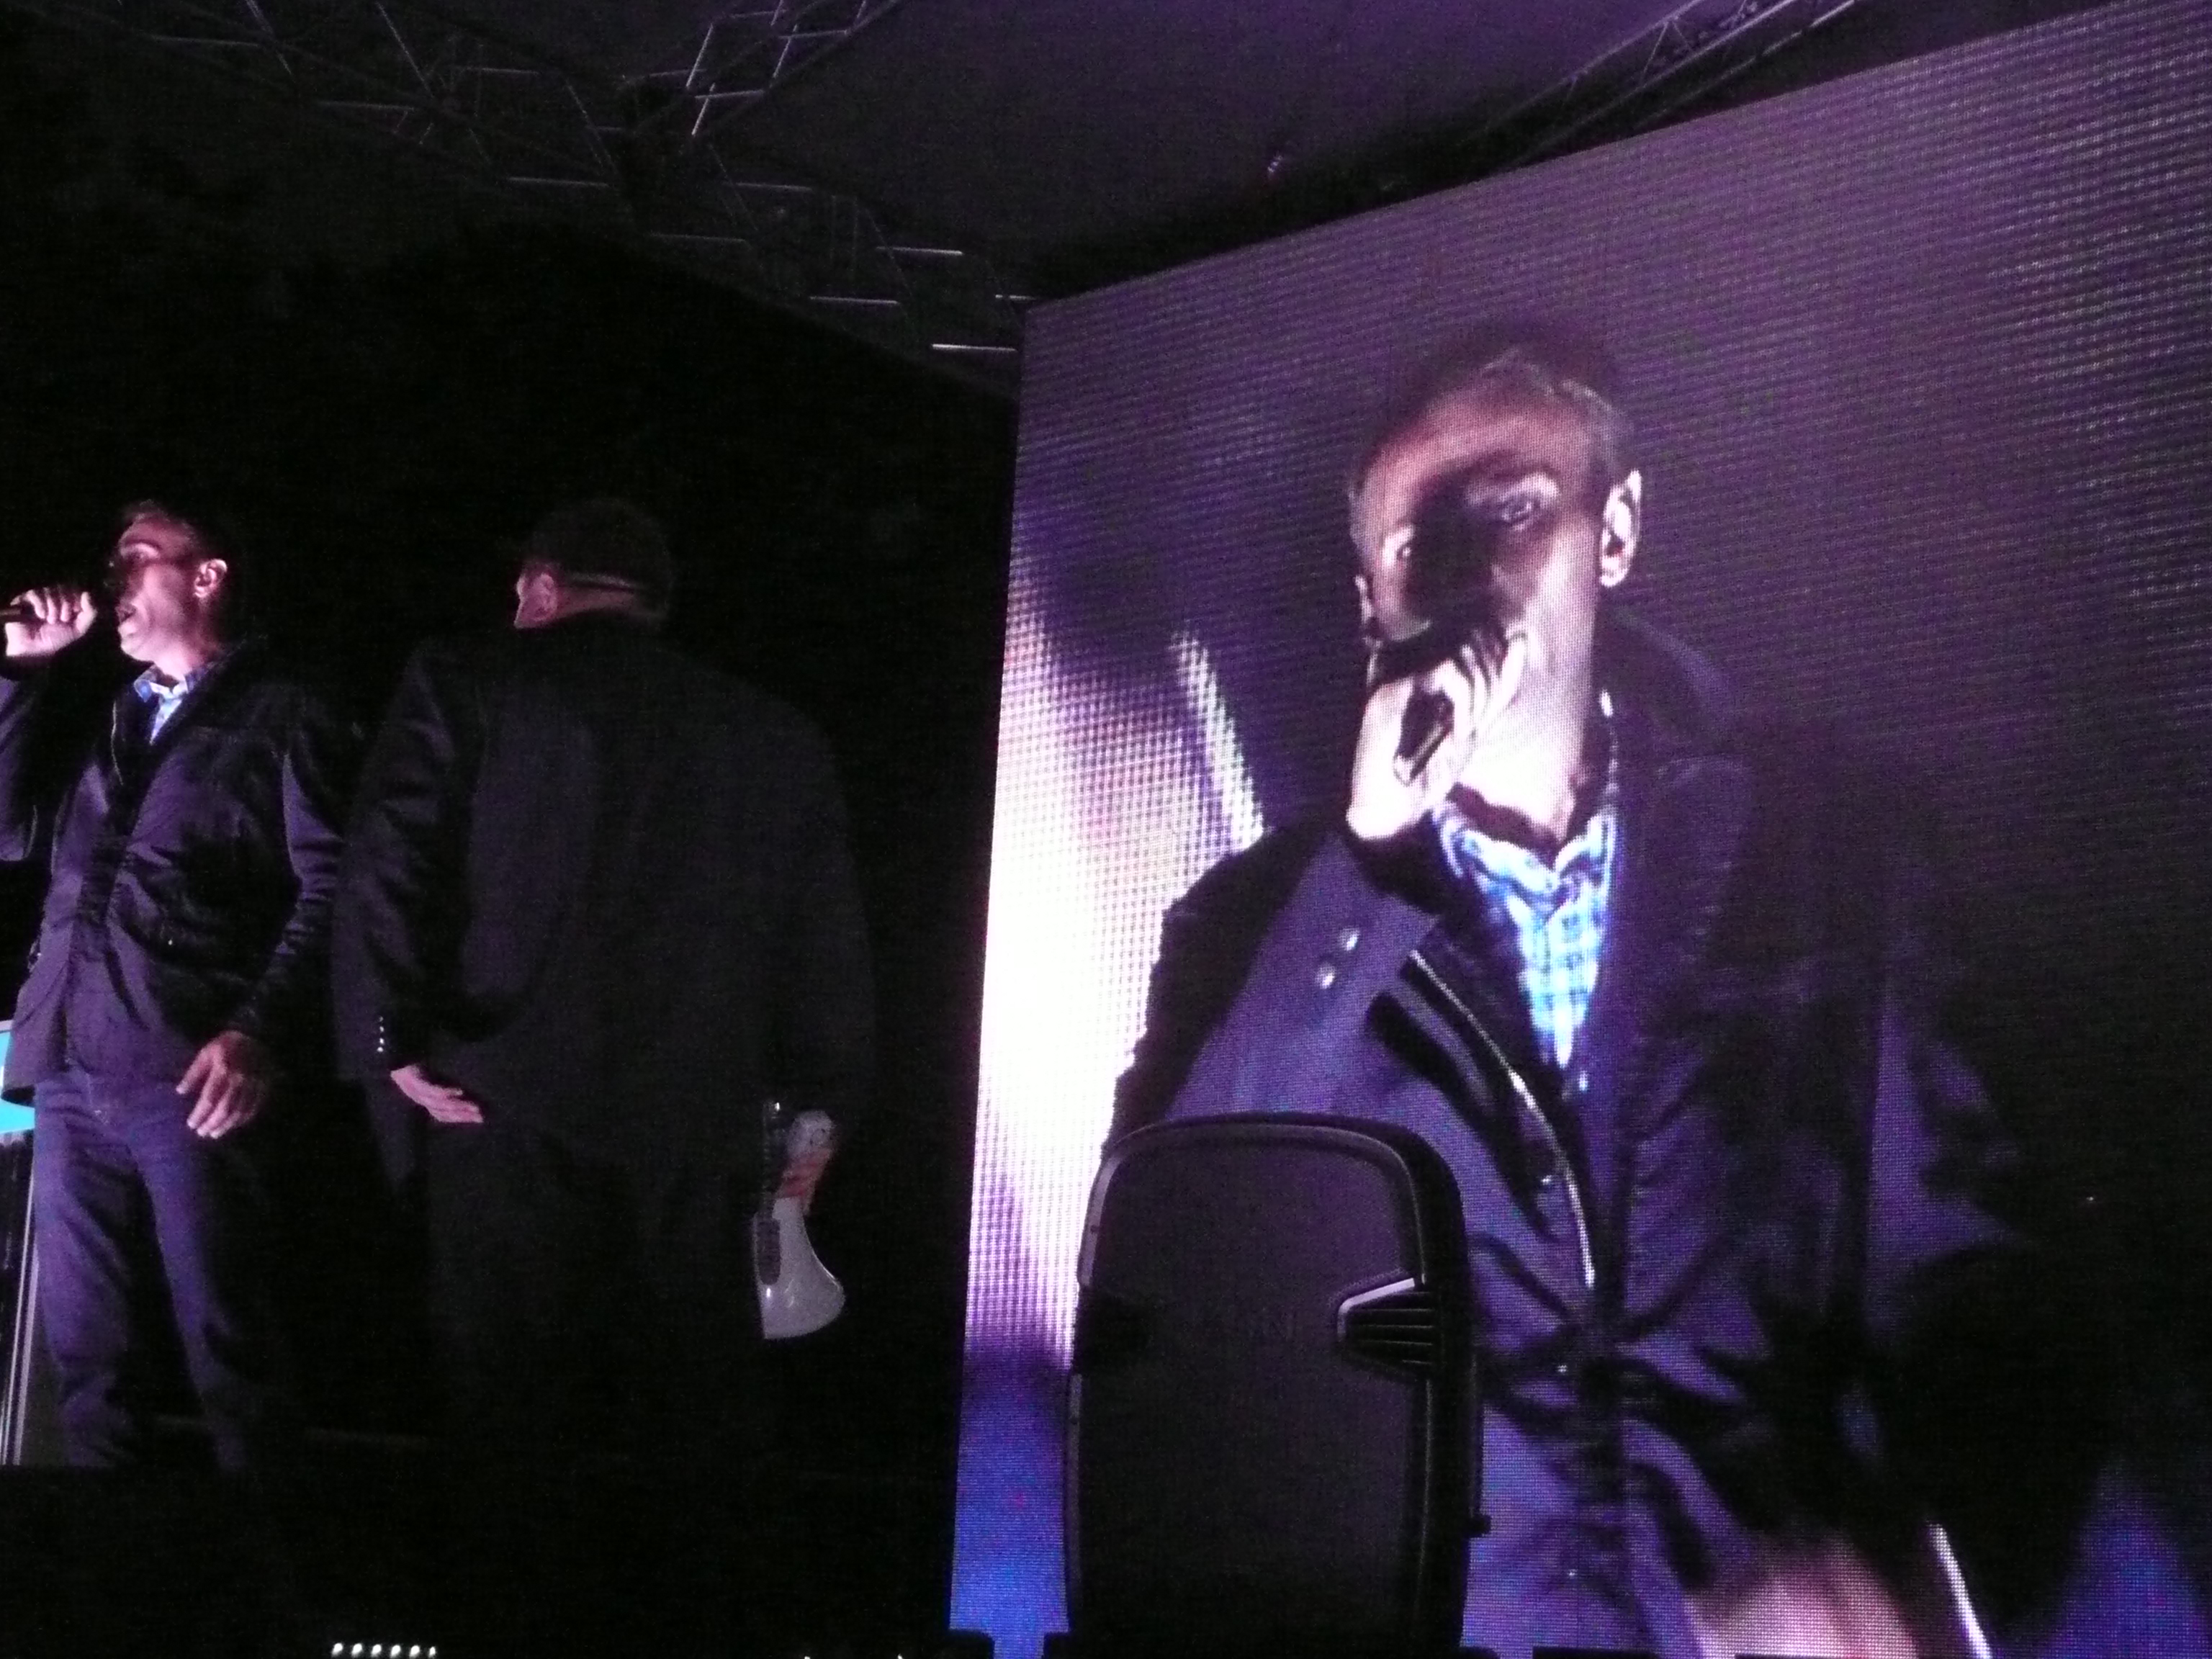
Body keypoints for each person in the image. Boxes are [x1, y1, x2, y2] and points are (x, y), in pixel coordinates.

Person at [1111, 328, 2033, 1658]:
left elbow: (1965, 1278)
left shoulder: (1833, 854)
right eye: (1417, 541)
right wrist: (1368, 863)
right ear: (1369, 599)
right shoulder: (1256, 924)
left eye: (1515, 510)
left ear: (1617, 533)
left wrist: (1917, 1584)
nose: (1467, 572)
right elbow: (1173, 1260)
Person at [331, 498, 873, 1658]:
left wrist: (388, 1043)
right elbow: (824, 940)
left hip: (500, 1100)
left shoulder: (469, 679)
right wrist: (820, 1110)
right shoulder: (772, 734)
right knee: (706, 1425)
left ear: (540, 587)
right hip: (697, 1117)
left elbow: (388, 862)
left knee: (508, 1425)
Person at [0, 501, 348, 1488]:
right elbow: (9, 832)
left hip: (185, 1073)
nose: (113, 579)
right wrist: (20, 675)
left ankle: (270, 1561)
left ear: (206, 576)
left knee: (228, 1345)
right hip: (72, 1067)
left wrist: (258, 1029)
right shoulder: (110, 712)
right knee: (85, 1358)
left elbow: (334, 885)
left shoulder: (286, 710)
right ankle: (99, 1569)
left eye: (137, 558)